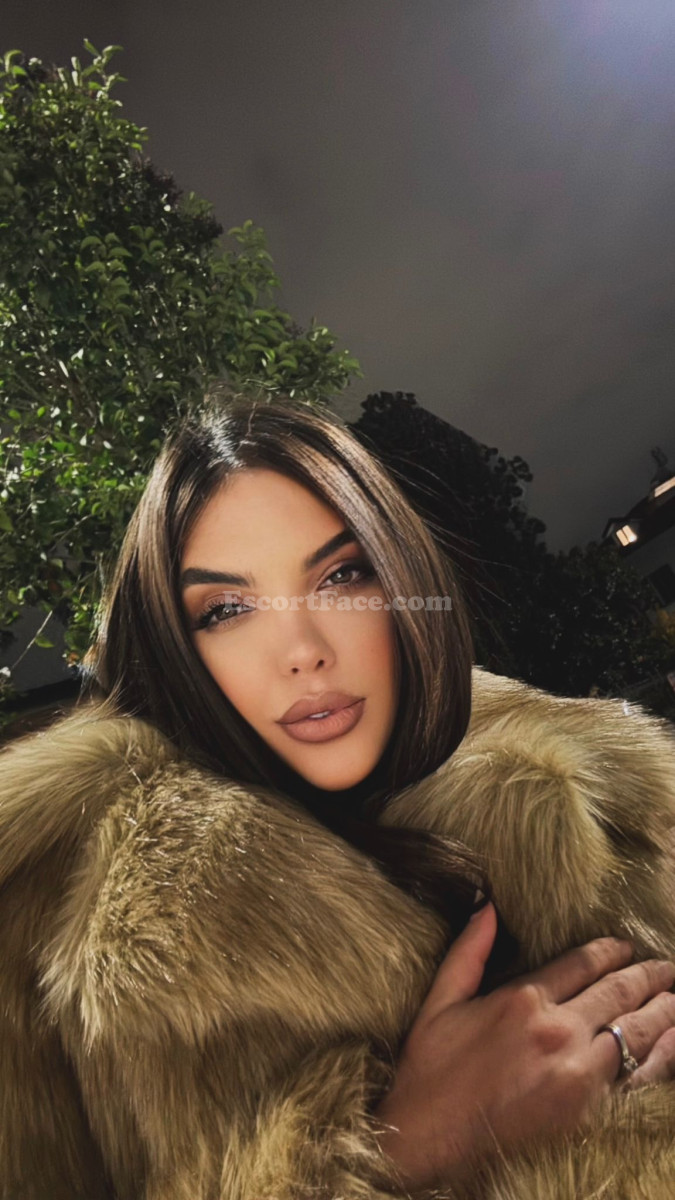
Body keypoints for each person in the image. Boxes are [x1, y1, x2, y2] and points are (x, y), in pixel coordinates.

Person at [2, 390, 675, 1199]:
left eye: (341, 575)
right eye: (227, 609)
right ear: (173, 649)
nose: (303, 651)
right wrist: (408, 1150)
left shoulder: (593, 792)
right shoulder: (75, 923)